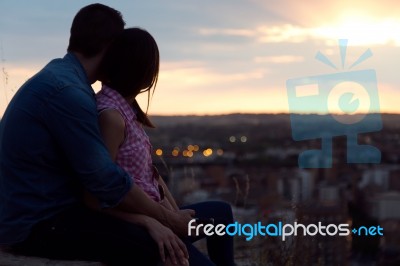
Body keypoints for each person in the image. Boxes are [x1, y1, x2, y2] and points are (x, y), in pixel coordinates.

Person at [0, 4, 193, 266]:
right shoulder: (68, 93)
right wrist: (166, 219)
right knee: (150, 247)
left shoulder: (62, 79)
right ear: (111, 46)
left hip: (35, 214)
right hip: (39, 223)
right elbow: (105, 180)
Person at [94, 27, 235, 266]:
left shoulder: (126, 110)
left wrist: (174, 214)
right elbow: (101, 192)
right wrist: (163, 221)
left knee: (222, 213)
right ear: (145, 72)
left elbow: (151, 174)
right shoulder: (111, 117)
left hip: (158, 215)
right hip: (138, 225)